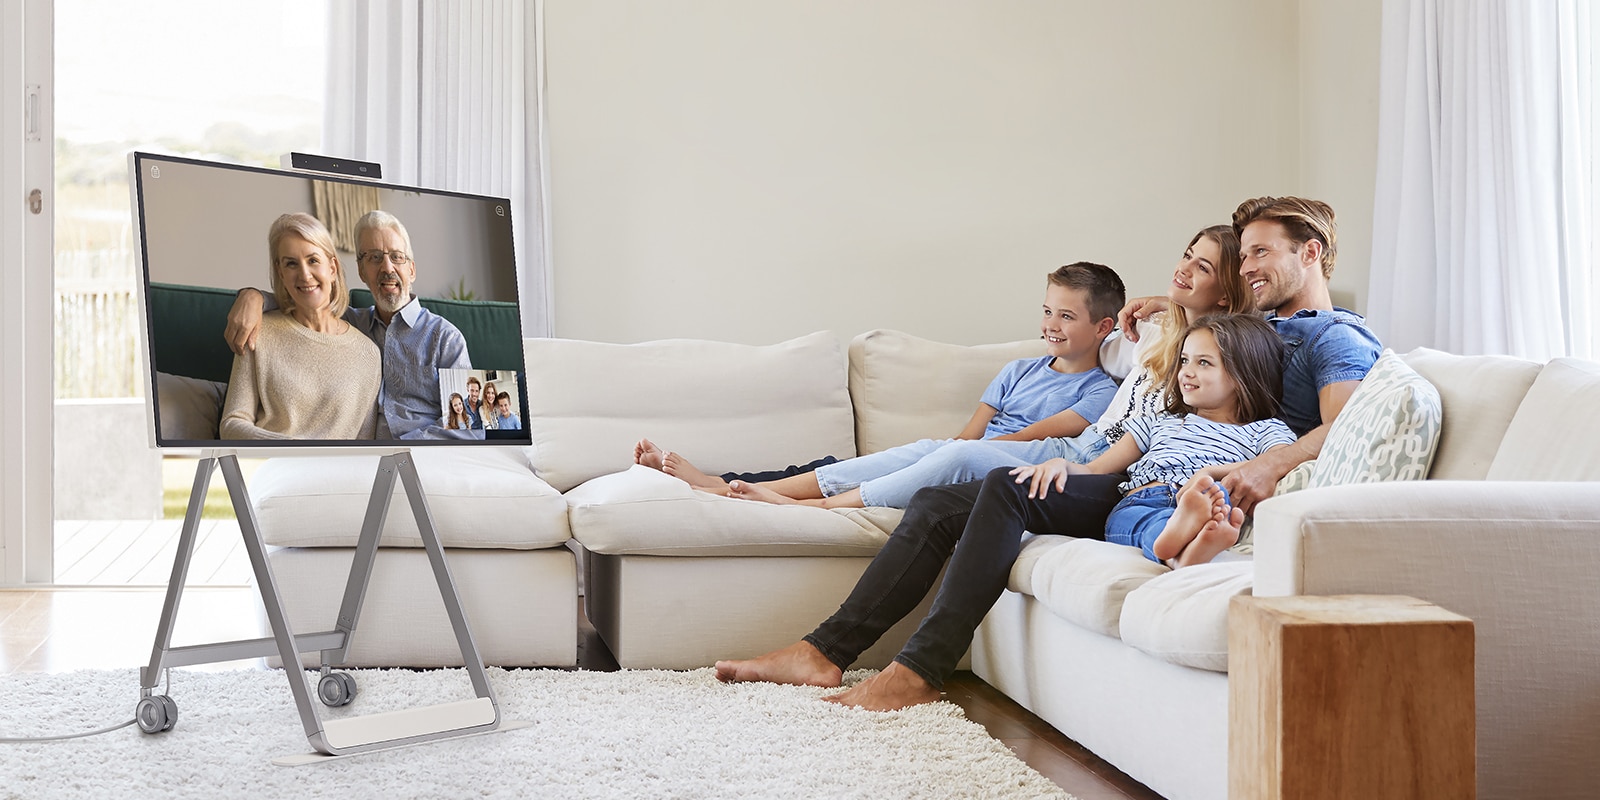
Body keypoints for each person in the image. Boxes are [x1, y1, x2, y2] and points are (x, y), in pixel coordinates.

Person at [714, 196, 1382, 711]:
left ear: (1313, 253)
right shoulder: (1256, 322)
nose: (1249, 268)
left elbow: (1341, 427)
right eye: (1246, 258)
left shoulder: (1335, 338)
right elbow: (1209, 324)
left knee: (1005, 483)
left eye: (1260, 253)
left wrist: (1267, 465)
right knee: (943, 501)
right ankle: (823, 650)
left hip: (1174, 482)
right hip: (1132, 468)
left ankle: (918, 671)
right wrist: (1169, 301)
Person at [641, 226, 1254, 506]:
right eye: (1185, 256)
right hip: (1027, 445)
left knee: (950, 457)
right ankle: (730, 485)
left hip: (1079, 455)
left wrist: (1151, 308)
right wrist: (1160, 300)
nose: (1184, 270)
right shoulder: (1146, 334)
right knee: (910, 454)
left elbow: (1107, 340)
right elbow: (1124, 320)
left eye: (1202, 267)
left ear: (1226, 295)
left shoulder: (1185, 356)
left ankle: (794, 503)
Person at [633, 262, 1127, 510]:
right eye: (1047, 311)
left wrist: (948, 453)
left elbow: (1032, 437)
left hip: (1005, 466)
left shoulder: (1101, 391)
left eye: (1066, 315)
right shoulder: (1018, 370)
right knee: (860, 461)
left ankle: (795, 505)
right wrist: (946, 450)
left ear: (1103, 328)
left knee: (939, 455)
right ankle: (721, 485)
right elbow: (970, 432)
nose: (1051, 324)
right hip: (968, 451)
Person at [1014, 315, 1294, 568]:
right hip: (1144, 499)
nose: (1186, 371)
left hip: (1209, 497)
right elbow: (1095, 469)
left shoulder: (1264, 429)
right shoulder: (1160, 420)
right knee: (1136, 522)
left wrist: (1208, 475)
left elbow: (1278, 462)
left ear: (1244, 373)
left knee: (1210, 501)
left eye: (1204, 362)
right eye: (1184, 360)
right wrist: (1060, 464)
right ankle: (1181, 550)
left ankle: (1182, 548)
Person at [224, 209, 473, 440]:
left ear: (412, 269)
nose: (387, 268)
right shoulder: (351, 321)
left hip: (422, 455)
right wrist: (252, 296)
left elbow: (468, 424)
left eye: (397, 257)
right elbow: (307, 300)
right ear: (362, 272)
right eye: (374, 258)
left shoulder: (445, 338)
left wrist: (398, 448)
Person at [219, 213, 381, 440]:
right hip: (272, 467)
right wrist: (292, 449)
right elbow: (231, 424)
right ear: (281, 273)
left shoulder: (368, 354)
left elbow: (364, 443)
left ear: (332, 268)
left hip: (333, 473)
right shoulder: (258, 331)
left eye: (313, 260)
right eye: (291, 264)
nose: (305, 275)